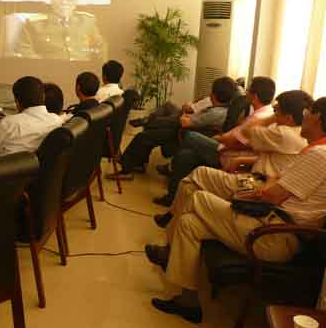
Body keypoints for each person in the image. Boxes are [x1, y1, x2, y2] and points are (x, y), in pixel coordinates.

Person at [145, 97, 326, 324]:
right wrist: (268, 185)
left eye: (309, 112)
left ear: (318, 118)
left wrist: (265, 187)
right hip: (271, 221)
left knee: (197, 196)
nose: (305, 116)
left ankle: (169, 250)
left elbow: (272, 193)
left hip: (274, 235)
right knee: (190, 222)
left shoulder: (320, 155)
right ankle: (188, 302)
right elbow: (275, 184)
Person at [154, 90, 312, 228]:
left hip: (256, 183)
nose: (274, 112)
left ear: (289, 118)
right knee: (189, 185)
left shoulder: (283, 133)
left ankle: (170, 214)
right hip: (256, 176)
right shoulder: (295, 133)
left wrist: (270, 119)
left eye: (277, 111)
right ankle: (172, 219)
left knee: (197, 165)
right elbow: (267, 157)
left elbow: (248, 131)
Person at [154, 76, 276, 206]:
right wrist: (222, 136)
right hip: (224, 146)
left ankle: (168, 158)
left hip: (227, 154)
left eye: (248, 90)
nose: (246, 93)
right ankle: (172, 198)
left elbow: (238, 143)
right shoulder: (262, 113)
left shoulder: (260, 118)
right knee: (185, 155)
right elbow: (236, 132)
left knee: (188, 135)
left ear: (255, 96)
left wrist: (221, 139)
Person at [108, 76, 237, 180]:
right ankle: (139, 161)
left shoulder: (216, 113)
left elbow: (185, 122)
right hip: (186, 130)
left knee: (143, 136)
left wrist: (186, 114)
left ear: (214, 94)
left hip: (183, 133)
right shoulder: (221, 109)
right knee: (153, 129)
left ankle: (126, 169)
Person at [14, 0, 105, 61]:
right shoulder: (34, 24)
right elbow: (24, 50)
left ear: (76, 3)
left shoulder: (87, 21)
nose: (64, 2)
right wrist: (43, 67)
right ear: (51, 1)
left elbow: (100, 47)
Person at [0, 76, 62, 155]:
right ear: (43, 97)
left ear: (17, 102)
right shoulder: (57, 121)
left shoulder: (7, 125)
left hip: (9, 162)